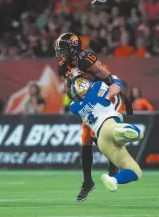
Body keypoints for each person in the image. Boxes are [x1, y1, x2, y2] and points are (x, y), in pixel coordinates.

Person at [55, 32, 133, 202]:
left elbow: (109, 78)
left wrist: (115, 93)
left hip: (106, 94)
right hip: (89, 97)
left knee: (96, 133)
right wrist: (73, 83)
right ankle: (88, 182)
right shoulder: (63, 66)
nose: (60, 52)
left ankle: (114, 163)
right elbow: (70, 90)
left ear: (73, 48)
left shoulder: (86, 58)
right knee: (85, 137)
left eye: (63, 48)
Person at [69, 77, 143, 192]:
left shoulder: (75, 107)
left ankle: (113, 180)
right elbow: (117, 87)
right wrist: (114, 79)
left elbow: (76, 100)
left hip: (102, 141)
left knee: (136, 171)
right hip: (109, 125)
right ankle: (120, 134)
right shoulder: (97, 87)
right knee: (139, 134)